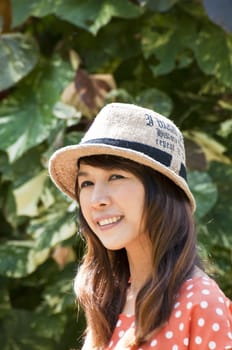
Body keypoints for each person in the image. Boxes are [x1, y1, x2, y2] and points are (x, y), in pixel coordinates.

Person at [49, 103, 232, 350]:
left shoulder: (199, 302)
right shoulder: (109, 299)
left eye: (116, 177)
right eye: (86, 183)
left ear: (162, 192)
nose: (96, 200)